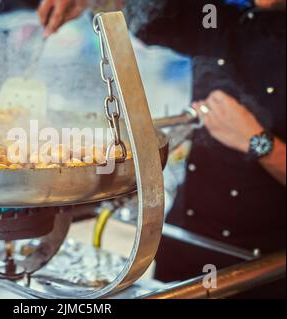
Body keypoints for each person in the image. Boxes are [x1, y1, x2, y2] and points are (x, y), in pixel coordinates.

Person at [38, 0, 286, 298]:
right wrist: (96, 1)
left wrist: (257, 141)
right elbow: (151, 14)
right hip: (187, 247)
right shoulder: (223, 16)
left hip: (265, 269)